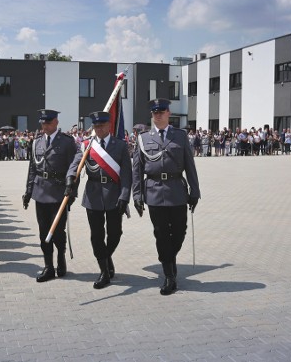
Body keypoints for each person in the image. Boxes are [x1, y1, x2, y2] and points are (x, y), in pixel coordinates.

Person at [132, 99, 201, 296]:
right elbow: (137, 169)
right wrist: (137, 194)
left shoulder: (179, 136)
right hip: (153, 191)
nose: (158, 115)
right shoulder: (143, 138)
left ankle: (169, 259)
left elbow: (190, 165)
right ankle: (169, 274)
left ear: (169, 113)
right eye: (155, 112)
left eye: (162, 111)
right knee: (161, 234)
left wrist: (195, 191)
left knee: (179, 232)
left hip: (177, 191)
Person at [67, 111, 132, 289]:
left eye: (102, 125)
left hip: (114, 194)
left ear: (109, 126)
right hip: (93, 194)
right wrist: (70, 178)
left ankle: (106, 256)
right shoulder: (87, 145)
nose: (99, 129)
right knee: (96, 235)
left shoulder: (120, 146)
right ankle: (104, 270)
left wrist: (125, 196)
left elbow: (126, 173)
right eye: (96, 126)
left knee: (115, 234)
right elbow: (76, 164)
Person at [23, 109, 77, 282]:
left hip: (58, 192)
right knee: (43, 231)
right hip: (40, 192)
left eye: (48, 122)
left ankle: (61, 257)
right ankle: (48, 266)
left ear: (56, 123)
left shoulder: (67, 142)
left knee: (58, 232)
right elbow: (33, 168)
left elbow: (73, 169)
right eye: (42, 123)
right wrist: (28, 191)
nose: (44, 125)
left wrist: (72, 194)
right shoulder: (37, 142)